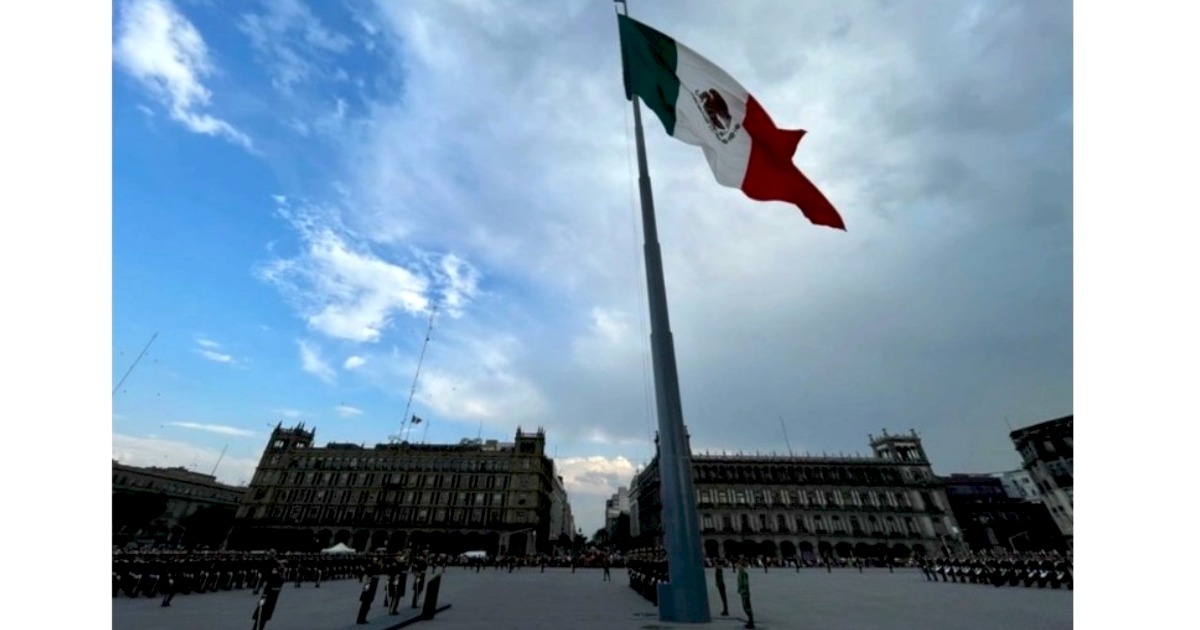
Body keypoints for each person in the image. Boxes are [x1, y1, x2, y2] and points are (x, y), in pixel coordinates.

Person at [736, 559, 755, 629]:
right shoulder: (740, 573)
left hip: (745, 593)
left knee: (747, 607)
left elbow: (745, 583)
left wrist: (743, 590)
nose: (737, 566)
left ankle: (751, 621)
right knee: (745, 607)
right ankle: (750, 620)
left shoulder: (744, 573)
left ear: (742, 566)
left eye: (738, 565)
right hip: (742, 592)